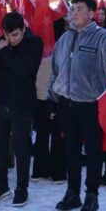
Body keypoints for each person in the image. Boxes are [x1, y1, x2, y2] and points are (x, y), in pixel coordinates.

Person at [49, 0, 106, 211]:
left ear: (92, 14)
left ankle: (92, 194)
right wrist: (51, 97)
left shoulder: (102, 36)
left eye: (80, 9)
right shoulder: (64, 38)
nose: (74, 12)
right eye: (73, 9)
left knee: (93, 151)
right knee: (71, 149)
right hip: (65, 102)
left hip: (90, 104)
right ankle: (72, 193)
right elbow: (54, 70)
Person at [0, 12, 43, 207]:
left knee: (21, 146)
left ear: (23, 30)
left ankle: (21, 188)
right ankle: (1, 184)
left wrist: (5, 51)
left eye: (15, 35)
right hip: (1, 103)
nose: (11, 39)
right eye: (8, 35)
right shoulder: (2, 44)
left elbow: (25, 71)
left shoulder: (34, 43)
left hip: (22, 104)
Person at [32, 18, 68, 184]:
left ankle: (52, 170)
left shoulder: (62, 45)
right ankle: (49, 170)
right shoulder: (38, 45)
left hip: (53, 95)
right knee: (48, 133)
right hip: (46, 95)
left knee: (50, 133)